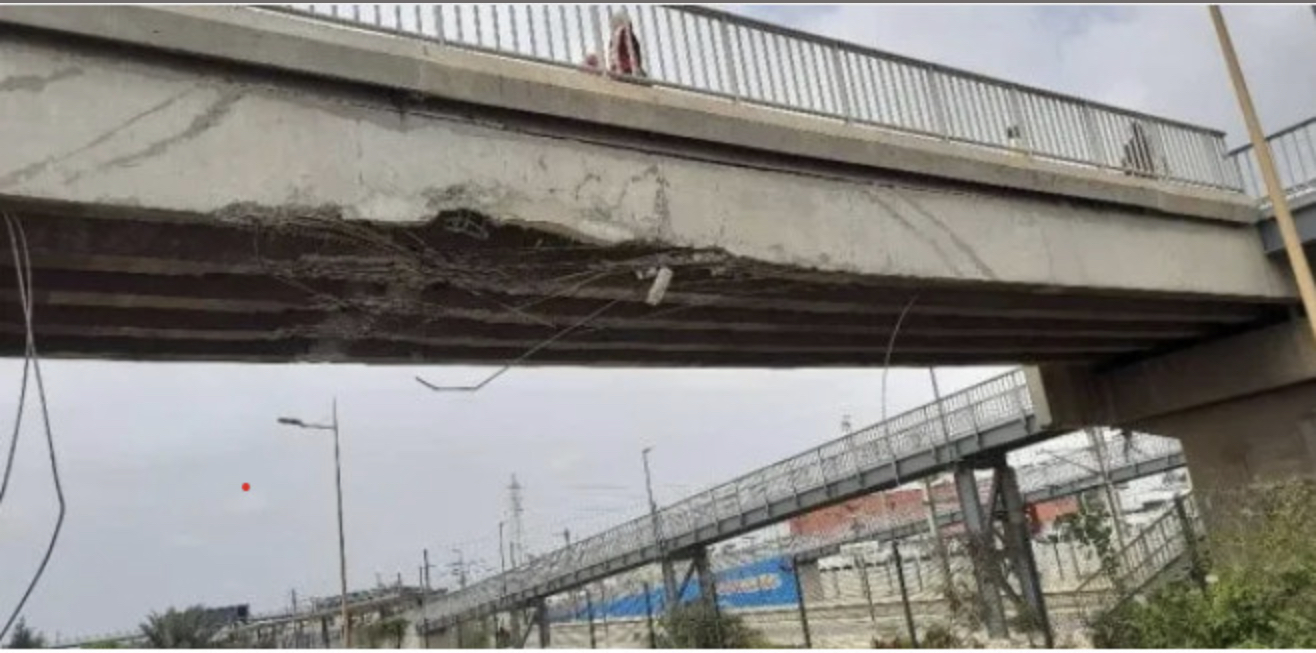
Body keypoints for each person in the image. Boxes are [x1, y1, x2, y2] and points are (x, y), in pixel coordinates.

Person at [607, 10, 645, 78]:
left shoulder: (617, 35)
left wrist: (613, 67)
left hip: (623, 68)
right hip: (628, 68)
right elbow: (637, 54)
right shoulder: (628, 34)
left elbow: (613, 54)